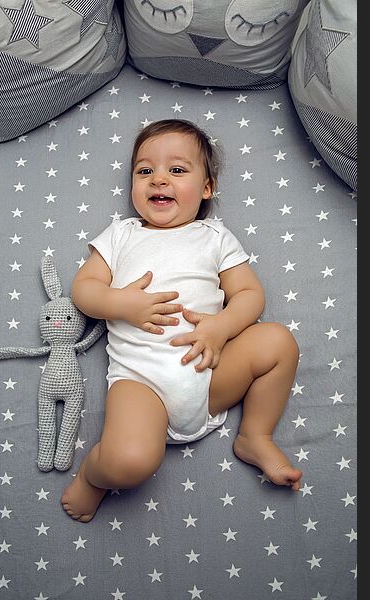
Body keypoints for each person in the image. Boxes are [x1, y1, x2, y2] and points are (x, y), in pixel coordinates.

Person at [61, 119, 302, 522]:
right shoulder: (122, 234)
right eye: (144, 171)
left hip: (212, 372)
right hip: (143, 381)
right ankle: (93, 476)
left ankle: (254, 435)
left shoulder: (215, 237)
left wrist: (221, 328)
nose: (158, 179)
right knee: (129, 461)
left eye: (176, 170)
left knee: (278, 342)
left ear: (206, 189)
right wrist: (122, 304)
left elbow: (249, 294)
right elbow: (84, 289)